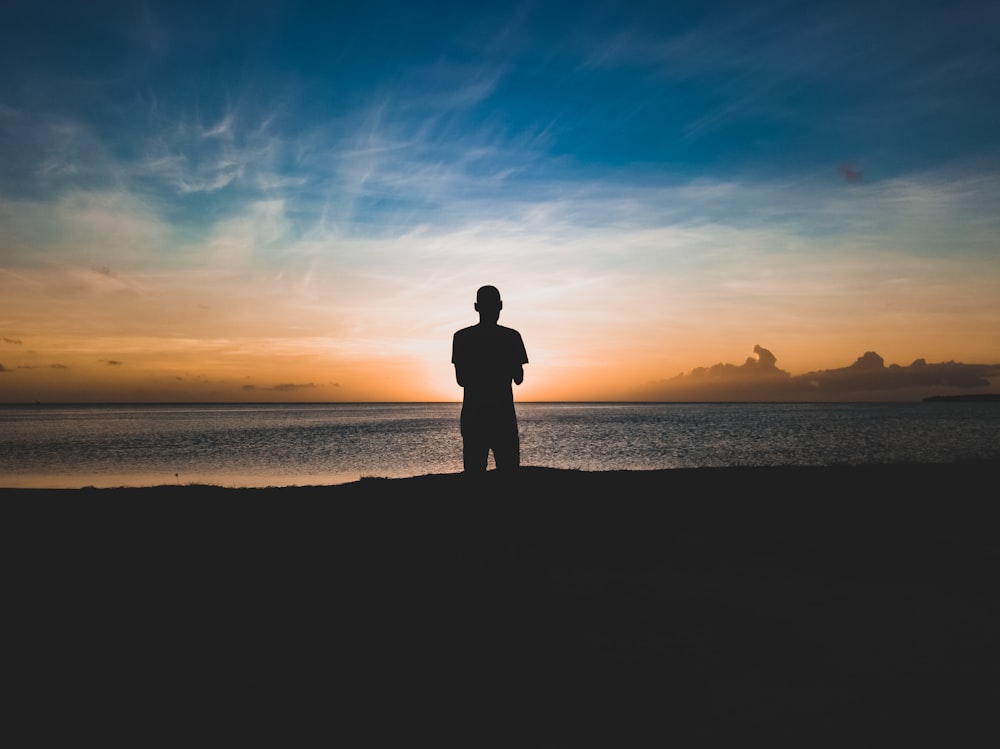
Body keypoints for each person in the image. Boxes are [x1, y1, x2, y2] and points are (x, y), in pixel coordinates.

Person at [452, 285, 528, 473]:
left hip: (474, 416)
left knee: (474, 473)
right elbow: (519, 378)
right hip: (503, 416)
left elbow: (461, 379)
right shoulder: (511, 337)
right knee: (509, 472)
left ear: (476, 307)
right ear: (500, 306)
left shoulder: (461, 338)